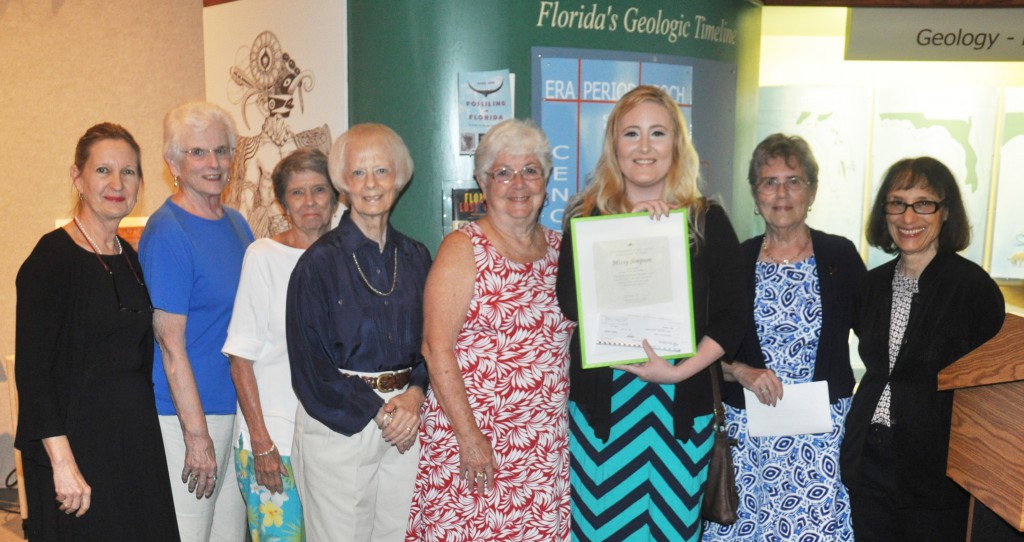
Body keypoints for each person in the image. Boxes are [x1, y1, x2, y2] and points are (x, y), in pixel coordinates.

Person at [555, 85, 746, 541]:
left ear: (676, 145)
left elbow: (732, 319)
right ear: (614, 146)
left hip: (680, 408)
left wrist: (679, 374)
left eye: (658, 133)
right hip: (606, 410)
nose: (644, 147)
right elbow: (570, 301)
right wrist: (629, 233)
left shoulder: (707, 221)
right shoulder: (585, 219)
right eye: (631, 134)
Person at [406, 119, 575, 541]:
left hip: (541, 450)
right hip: (478, 447)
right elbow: (435, 347)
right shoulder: (463, 248)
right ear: (483, 183)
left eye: (531, 170)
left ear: (547, 179)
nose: (518, 183)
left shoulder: (562, 249)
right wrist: (469, 437)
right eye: (503, 172)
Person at [15, 123, 180, 540]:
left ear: (141, 182)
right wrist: (63, 463)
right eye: (103, 170)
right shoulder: (51, 259)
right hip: (76, 451)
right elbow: (34, 375)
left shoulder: (128, 256)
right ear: (78, 177)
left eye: (128, 172)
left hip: (133, 443)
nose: (116, 183)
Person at [702, 134, 865, 541]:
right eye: (769, 182)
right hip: (749, 443)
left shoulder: (839, 257)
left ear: (812, 190)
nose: (781, 193)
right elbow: (701, 354)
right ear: (755, 194)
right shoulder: (734, 262)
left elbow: (877, 341)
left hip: (822, 444)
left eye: (793, 180)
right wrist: (741, 371)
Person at [841, 157, 1005, 542]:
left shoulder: (974, 290)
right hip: (869, 460)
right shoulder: (872, 286)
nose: (908, 216)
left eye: (923, 203)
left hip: (936, 473)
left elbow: (993, 389)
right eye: (897, 202)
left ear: (945, 212)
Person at [286, 124, 430, 542]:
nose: (371, 184)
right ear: (342, 183)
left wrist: (415, 394)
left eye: (382, 171)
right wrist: (378, 410)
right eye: (359, 173)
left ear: (399, 179)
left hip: (406, 420)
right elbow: (310, 366)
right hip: (340, 425)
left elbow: (434, 344)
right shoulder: (318, 264)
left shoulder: (417, 257)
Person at [139, 101, 253, 541]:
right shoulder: (169, 231)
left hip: (235, 409)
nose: (213, 163)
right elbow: (170, 345)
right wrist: (197, 435)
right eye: (198, 152)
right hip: (186, 418)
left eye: (221, 151)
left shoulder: (238, 224)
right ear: (173, 163)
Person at [223, 149, 338, 541]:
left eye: (319, 190)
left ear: (336, 196)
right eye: (297, 192)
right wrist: (261, 442)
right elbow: (240, 359)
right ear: (282, 201)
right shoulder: (263, 257)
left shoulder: (348, 259)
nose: (309, 202)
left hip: (332, 444)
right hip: (273, 442)